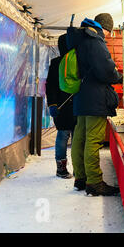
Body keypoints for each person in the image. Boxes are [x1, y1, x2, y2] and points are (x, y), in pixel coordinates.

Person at [66, 13, 122, 196]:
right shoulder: (95, 40)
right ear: (105, 28)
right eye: (109, 31)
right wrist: (117, 76)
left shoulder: (82, 37)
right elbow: (105, 70)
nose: (108, 35)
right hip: (95, 97)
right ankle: (94, 182)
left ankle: (80, 178)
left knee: (79, 138)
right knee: (93, 140)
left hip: (81, 96)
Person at [45, 34, 77, 179]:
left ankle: (77, 168)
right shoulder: (58, 62)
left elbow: (50, 86)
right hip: (62, 106)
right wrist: (52, 104)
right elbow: (50, 86)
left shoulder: (71, 62)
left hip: (70, 104)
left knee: (72, 136)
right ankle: (62, 169)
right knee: (65, 135)